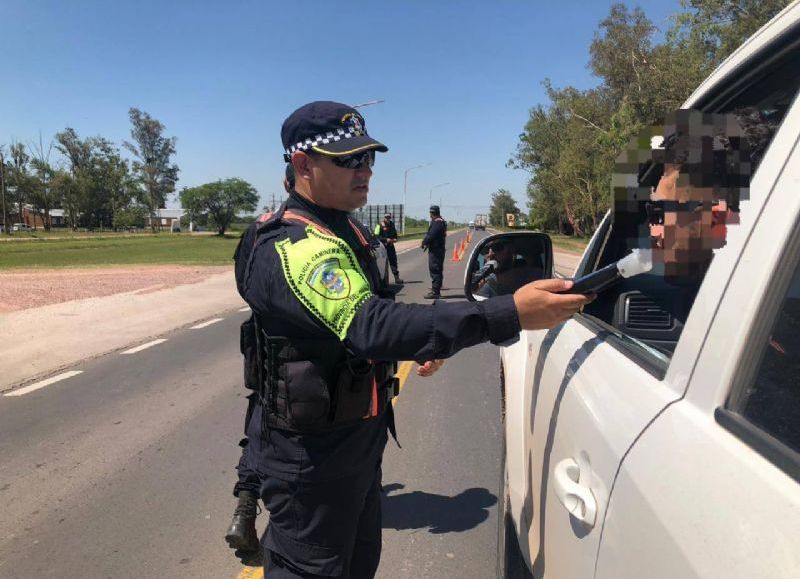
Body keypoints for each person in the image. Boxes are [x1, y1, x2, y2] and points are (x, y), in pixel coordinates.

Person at [235, 100, 592, 579]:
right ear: (303, 165)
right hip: (311, 462)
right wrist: (505, 313)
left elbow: (372, 330)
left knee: (358, 565)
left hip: (356, 446)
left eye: (368, 158)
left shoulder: (344, 230)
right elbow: (370, 326)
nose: (364, 171)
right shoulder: (294, 246)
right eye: (348, 160)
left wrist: (416, 347)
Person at [225, 163, 298, 553]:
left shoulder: (258, 229)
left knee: (257, 423)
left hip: (261, 346)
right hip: (302, 364)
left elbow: (244, 283)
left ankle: (244, 507)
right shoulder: (318, 233)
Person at [421, 205, 447, 299]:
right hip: (438, 249)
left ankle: (435, 291)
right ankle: (436, 289)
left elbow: (431, 235)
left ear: (432, 213)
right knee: (437, 269)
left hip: (436, 250)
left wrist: (424, 242)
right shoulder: (441, 221)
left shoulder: (437, 223)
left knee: (435, 269)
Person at [374, 213, 403, 284]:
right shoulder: (379, 225)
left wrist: (395, 239)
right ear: (384, 218)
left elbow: (395, 234)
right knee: (382, 263)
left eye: (389, 217)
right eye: (386, 217)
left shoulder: (392, 224)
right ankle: (381, 281)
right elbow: (376, 236)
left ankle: (397, 278)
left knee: (393, 261)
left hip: (390, 246)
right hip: (382, 247)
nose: (388, 219)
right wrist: (385, 239)